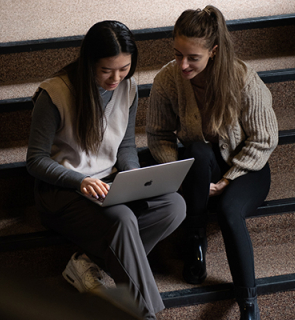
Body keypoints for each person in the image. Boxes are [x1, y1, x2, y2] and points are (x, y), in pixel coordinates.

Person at [26, 20, 186, 320]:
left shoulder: (129, 88)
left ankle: (87, 262)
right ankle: (146, 314)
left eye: (124, 68)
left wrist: (135, 180)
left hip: (108, 183)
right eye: (106, 70)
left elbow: (125, 147)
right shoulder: (54, 94)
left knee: (174, 206)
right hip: (63, 191)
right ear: (89, 63)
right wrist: (80, 181)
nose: (116, 78)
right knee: (123, 219)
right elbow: (35, 160)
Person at [146, 6, 278, 320]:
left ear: (214, 51)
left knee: (231, 212)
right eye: (178, 54)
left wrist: (228, 180)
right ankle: (195, 241)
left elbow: (264, 138)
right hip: (199, 166)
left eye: (193, 57)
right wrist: (179, 176)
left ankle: (248, 303)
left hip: (247, 166)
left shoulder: (243, 79)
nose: (182, 64)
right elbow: (158, 136)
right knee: (197, 150)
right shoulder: (167, 79)